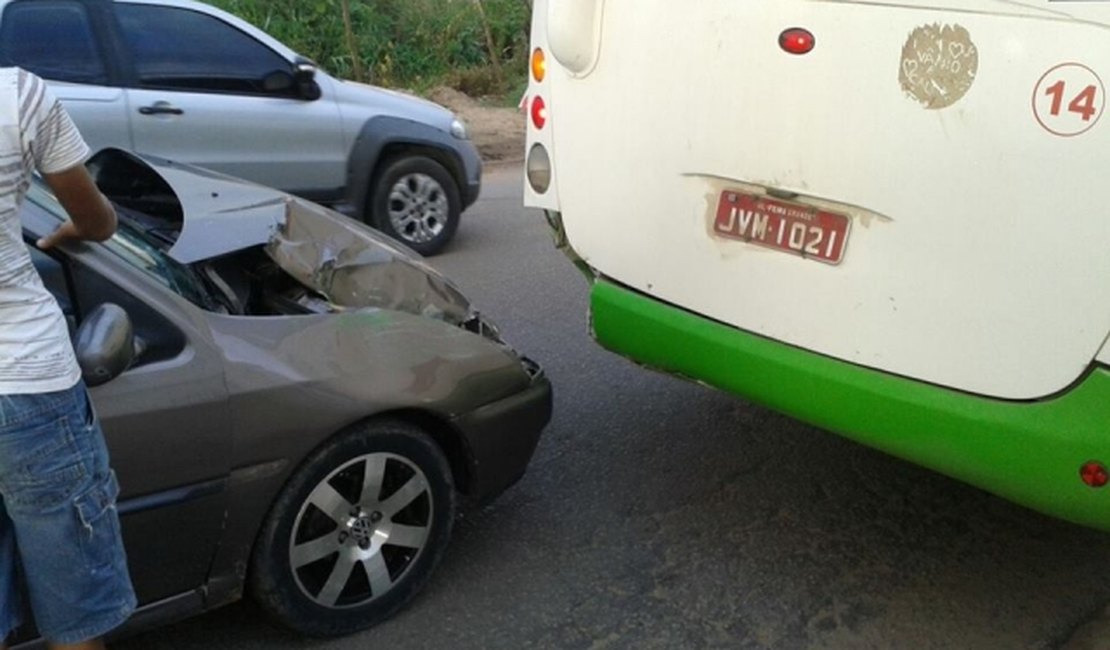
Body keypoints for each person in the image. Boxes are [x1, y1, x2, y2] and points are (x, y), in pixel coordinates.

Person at [0, 68, 135, 650]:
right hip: (29, 382)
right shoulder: (18, 96)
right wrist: (79, 226)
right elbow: (96, 219)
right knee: (77, 612)